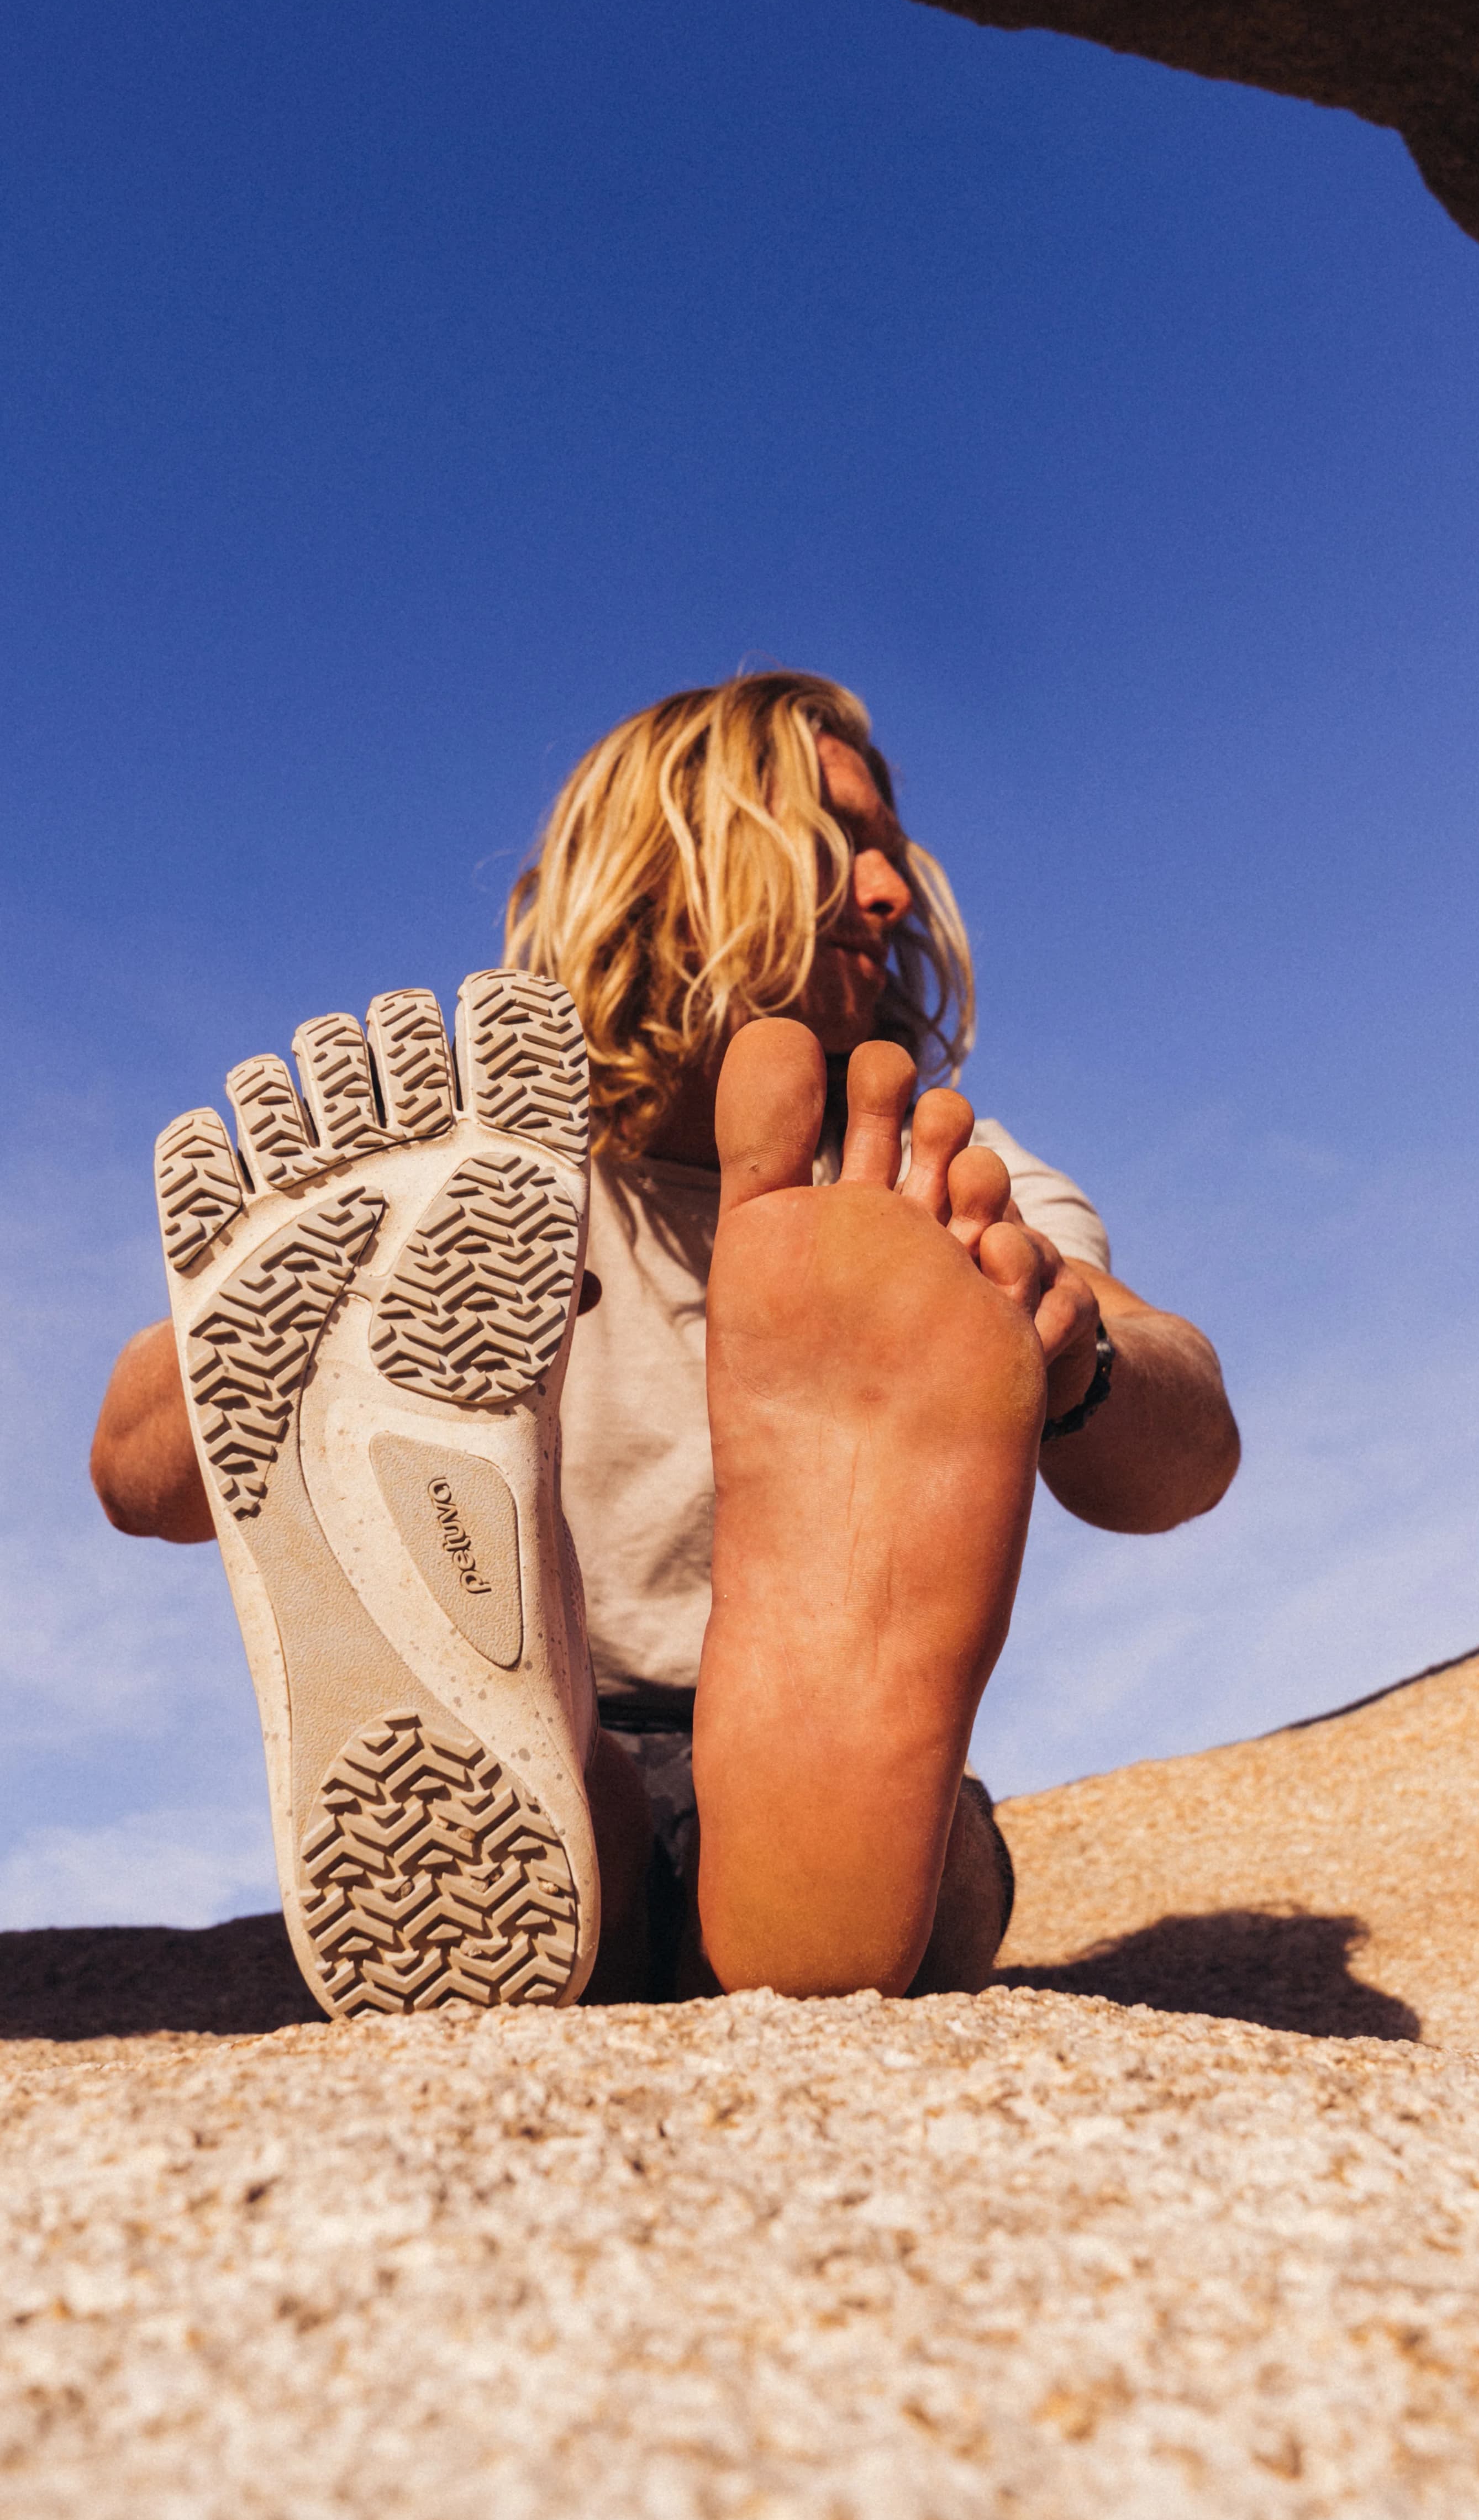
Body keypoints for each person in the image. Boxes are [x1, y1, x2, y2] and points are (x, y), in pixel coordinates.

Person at [91, 669, 1238, 2005]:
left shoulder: (921, 1176)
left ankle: (781, 1791)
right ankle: (592, 1794)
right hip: (560, 1712)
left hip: (840, 1748)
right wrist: (342, 1302)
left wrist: (1074, 1353)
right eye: (837, 840)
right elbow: (136, 1473)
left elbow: (1185, 1446)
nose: (890, 893)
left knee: (852, 1852)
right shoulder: (484, 1170)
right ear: (662, 860)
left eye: (891, 855)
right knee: (573, 1780)